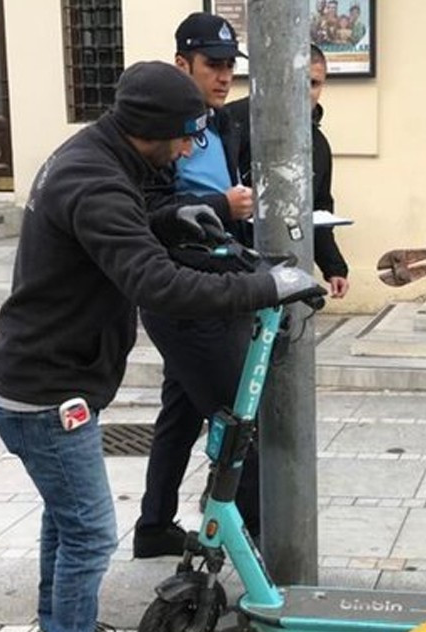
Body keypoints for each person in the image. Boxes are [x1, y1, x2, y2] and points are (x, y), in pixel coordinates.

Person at [0, 61, 322, 632]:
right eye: (187, 135)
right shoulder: (96, 179)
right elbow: (159, 286)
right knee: (86, 532)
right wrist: (266, 286)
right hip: (49, 388)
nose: (194, 146)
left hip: (45, 373)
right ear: (151, 131)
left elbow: (121, 229)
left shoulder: (96, 155)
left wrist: (173, 219)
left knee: (65, 520)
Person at [132, 12, 266, 559]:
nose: (223, 76)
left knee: (181, 412)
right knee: (238, 421)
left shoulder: (223, 125)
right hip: (184, 293)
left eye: (231, 66)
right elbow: (149, 211)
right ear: (181, 64)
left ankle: (153, 526)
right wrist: (218, 204)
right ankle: (258, 542)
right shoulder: (158, 133)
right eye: (213, 65)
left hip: (218, 279)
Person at [228, 43, 351, 299]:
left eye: (314, 84)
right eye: (298, 81)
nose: (305, 92)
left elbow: (319, 210)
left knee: (288, 335)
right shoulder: (232, 122)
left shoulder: (318, 145)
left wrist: (334, 267)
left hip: (289, 272)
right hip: (232, 273)